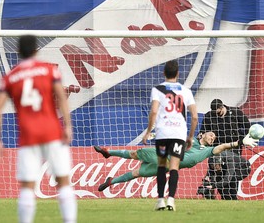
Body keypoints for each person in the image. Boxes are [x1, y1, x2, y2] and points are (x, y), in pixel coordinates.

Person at [0, 35, 76, 223]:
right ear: (37, 51)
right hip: (53, 132)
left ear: (18, 52)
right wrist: (68, 126)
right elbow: (61, 98)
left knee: (27, 187)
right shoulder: (49, 71)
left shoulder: (10, 77)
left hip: (28, 136)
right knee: (63, 181)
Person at [94, 130, 255, 191]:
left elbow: (221, 148)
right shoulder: (190, 140)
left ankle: (111, 182)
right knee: (136, 154)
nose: (213, 138)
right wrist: (154, 136)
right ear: (203, 134)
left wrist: (238, 143)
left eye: (214, 138)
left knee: (137, 173)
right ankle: (109, 152)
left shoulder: (207, 151)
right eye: (211, 134)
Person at [142, 59, 197, 211]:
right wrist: (190, 136)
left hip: (162, 134)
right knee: (174, 167)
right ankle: (171, 200)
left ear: (164, 73)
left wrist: (148, 132)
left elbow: (153, 111)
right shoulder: (186, 91)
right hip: (179, 134)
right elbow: (194, 116)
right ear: (178, 74)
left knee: (161, 165)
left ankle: (160, 200)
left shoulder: (158, 89)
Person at [199, 98, 251, 200]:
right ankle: (223, 195)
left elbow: (248, 126)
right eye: (215, 113)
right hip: (217, 149)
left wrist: (243, 139)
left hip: (234, 148)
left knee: (231, 173)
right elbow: (203, 132)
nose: (216, 114)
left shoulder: (236, 112)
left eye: (218, 112)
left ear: (222, 107)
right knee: (218, 171)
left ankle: (232, 196)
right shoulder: (209, 116)